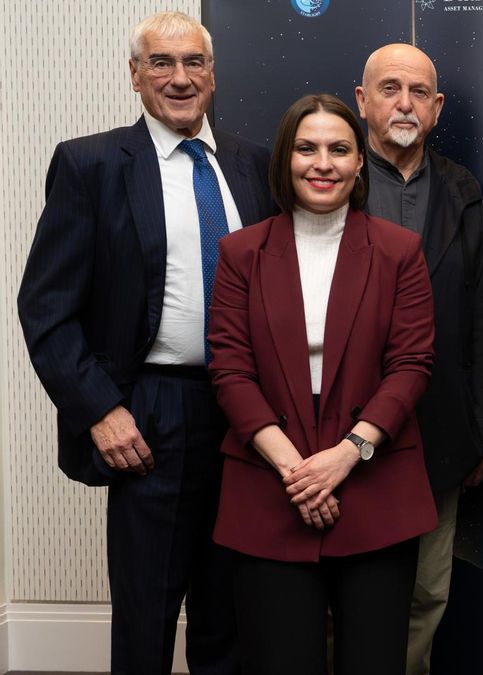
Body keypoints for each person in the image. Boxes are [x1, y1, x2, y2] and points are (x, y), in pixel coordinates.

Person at [16, 11, 274, 674]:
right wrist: (100, 408)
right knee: (146, 613)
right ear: (135, 75)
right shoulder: (91, 164)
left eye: (194, 62)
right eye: (161, 62)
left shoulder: (252, 166)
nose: (180, 77)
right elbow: (45, 306)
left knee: (233, 610)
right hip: (150, 409)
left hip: (247, 415)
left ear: (214, 74)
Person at [206, 93, 437, 675]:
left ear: (361, 162)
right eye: (307, 149)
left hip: (375, 483)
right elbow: (230, 368)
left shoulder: (399, 251)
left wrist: (345, 456)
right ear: (286, 159)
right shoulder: (241, 253)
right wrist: (298, 472)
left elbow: (411, 365)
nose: (322, 163)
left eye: (339, 149)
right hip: (270, 488)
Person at [355, 43, 483, 675]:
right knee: (347, 591)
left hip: (438, 428)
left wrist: (481, 430)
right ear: (363, 101)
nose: (403, 104)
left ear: (436, 108)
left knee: (427, 590)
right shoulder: (331, 180)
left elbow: (482, 318)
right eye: (389, 88)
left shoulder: (463, 190)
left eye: (418, 93)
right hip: (341, 426)